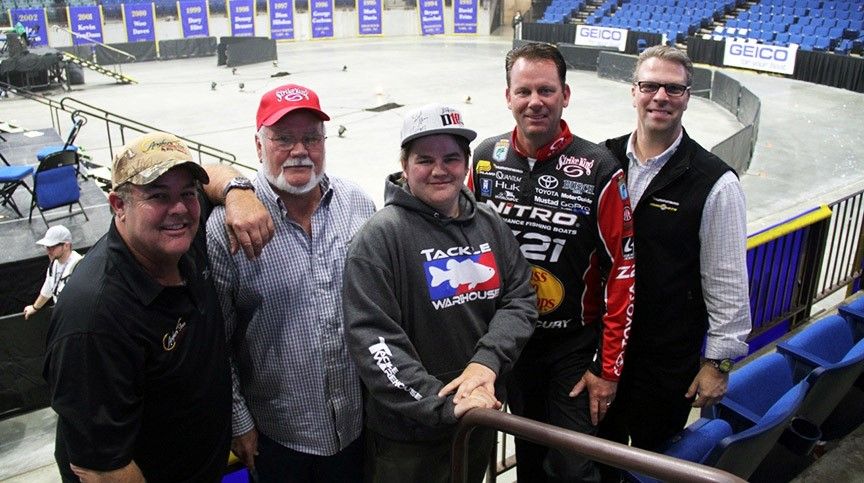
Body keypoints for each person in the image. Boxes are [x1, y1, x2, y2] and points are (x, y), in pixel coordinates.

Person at [43, 131, 273, 482]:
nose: (178, 208)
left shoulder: (181, 239)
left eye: (186, 193)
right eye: (158, 195)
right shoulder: (95, 317)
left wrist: (237, 192)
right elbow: (105, 467)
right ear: (118, 205)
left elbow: (214, 172)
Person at [343, 104, 537, 483]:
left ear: (466, 164)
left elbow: (520, 297)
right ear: (404, 164)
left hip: (477, 418)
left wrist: (487, 363)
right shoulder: (379, 239)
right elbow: (375, 343)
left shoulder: (489, 223)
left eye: (451, 158)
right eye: (424, 159)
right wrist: (444, 404)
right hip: (409, 439)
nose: (438, 170)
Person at [468, 42, 635, 482]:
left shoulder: (599, 168)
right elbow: (463, 244)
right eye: (523, 91)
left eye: (546, 90)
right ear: (508, 97)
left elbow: (623, 268)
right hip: (512, 342)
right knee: (528, 457)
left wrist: (608, 366)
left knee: (572, 465)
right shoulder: (485, 158)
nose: (535, 102)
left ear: (565, 95)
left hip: (573, 348)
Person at [207, 83, 375, 483]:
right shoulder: (225, 230)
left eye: (311, 138)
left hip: (357, 423)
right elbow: (217, 341)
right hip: (278, 436)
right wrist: (239, 421)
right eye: (283, 138)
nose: (299, 150)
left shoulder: (357, 204)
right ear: (259, 145)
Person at [598, 45, 751, 460]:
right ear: (634, 92)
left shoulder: (715, 182)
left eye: (673, 88)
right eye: (650, 86)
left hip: (666, 363)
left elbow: (726, 278)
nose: (660, 97)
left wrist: (717, 362)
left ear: (688, 96)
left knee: (656, 459)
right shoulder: (602, 159)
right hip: (602, 352)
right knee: (596, 457)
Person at [23, 225, 83, 319]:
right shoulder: (54, 264)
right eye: (47, 247)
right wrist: (35, 307)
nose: (48, 251)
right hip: (63, 315)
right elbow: (48, 289)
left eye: (52, 247)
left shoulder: (79, 266)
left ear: (66, 245)